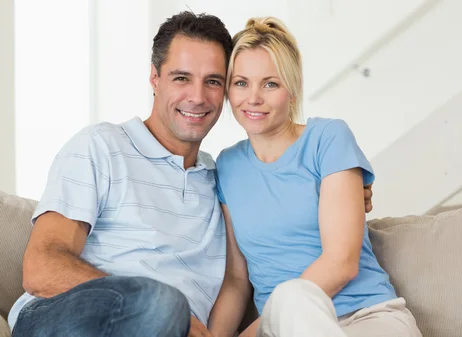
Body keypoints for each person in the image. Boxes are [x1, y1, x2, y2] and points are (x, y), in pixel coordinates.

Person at [8, 11, 373, 337]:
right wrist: (169, 311)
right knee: (160, 301)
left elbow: (241, 273)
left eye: (213, 81)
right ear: (154, 77)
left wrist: (346, 186)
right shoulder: (100, 146)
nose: (197, 97)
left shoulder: (221, 178)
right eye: (182, 78)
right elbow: (41, 268)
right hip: (67, 320)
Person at [209, 17, 421, 337]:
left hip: (365, 318)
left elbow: (341, 263)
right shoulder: (227, 165)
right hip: (281, 329)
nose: (253, 98)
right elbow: (237, 280)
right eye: (241, 83)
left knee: (292, 295)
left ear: (292, 91)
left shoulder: (328, 138)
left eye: (271, 83)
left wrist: (253, 332)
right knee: (289, 300)